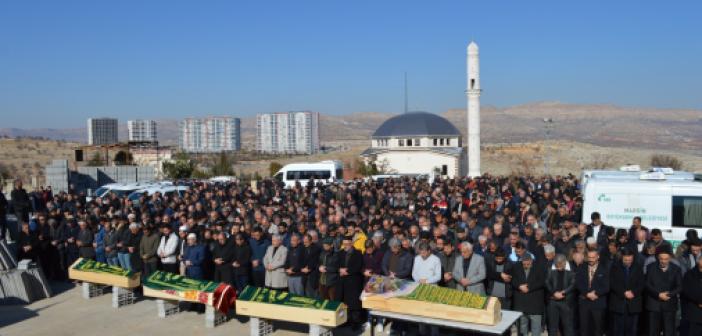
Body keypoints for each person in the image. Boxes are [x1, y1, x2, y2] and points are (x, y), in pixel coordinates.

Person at [645, 248, 682, 336]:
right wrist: (658, 295)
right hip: (653, 304)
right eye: (661, 258)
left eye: (666, 259)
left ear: (670, 258)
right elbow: (647, 284)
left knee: (669, 330)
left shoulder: (676, 269)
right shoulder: (650, 267)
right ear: (658, 258)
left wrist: (668, 295)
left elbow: (679, 286)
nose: (663, 261)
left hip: (669, 304)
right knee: (653, 330)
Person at [609, 248, 644, 336]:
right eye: (626, 260)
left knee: (632, 329)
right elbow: (612, 283)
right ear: (622, 257)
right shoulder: (614, 267)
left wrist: (633, 292)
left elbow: (642, 283)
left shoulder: (638, 267)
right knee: (618, 329)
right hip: (618, 302)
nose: (628, 262)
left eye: (630, 260)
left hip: (633, 303)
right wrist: (623, 292)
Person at [575, 249, 610, 336]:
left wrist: (596, 293)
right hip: (584, 303)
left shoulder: (605, 268)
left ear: (598, 257)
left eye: (593, 257)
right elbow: (578, 283)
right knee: (584, 329)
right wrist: (587, 294)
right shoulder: (581, 267)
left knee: (597, 329)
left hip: (598, 303)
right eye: (589, 257)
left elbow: (607, 286)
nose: (590, 259)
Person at [512, 253, 546, 336]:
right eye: (524, 263)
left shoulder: (539, 268)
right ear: (521, 261)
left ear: (531, 261)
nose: (526, 265)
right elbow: (512, 280)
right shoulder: (516, 267)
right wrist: (519, 286)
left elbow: (542, 281)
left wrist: (528, 287)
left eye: (528, 263)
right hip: (521, 303)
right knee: (522, 328)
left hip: (535, 304)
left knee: (536, 328)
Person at [412, 241, 442, 336]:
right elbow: (414, 273)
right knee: (421, 314)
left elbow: (438, 276)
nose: (422, 255)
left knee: (432, 314)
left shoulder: (436, 259)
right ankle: (422, 333)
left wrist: (426, 281)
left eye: (424, 252)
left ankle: (434, 333)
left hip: (432, 289)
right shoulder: (417, 258)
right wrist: (418, 280)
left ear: (429, 251)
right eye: (420, 252)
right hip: (419, 288)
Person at [337, 235, 364, 330]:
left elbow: (358, 266)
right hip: (343, 282)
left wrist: (346, 271)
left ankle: (356, 323)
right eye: (344, 244)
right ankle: (346, 320)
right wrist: (339, 269)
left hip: (353, 282)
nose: (345, 246)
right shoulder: (340, 253)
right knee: (345, 303)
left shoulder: (358, 253)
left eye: (347, 244)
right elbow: (336, 264)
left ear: (351, 243)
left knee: (354, 304)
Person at [545, 254, 575, 336]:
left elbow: (573, 284)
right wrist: (554, 292)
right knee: (552, 326)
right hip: (553, 301)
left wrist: (563, 292)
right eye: (557, 265)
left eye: (561, 265)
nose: (559, 267)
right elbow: (547, 282)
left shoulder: (571, 270)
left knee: (567, 326)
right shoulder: (550, 269)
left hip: (566, 301)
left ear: (564, 263)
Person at [682, 255, 702, 335]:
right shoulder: (690, 274)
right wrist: (700, 301)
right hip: (694, 310)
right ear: (698, 261)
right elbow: (688, 291)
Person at [301, 233, 321, 298]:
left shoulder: (316, 248)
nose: (304, 243)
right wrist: (302, 268)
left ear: (311, 241)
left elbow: (316, 260)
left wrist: (309, 268)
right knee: (307, 295)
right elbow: (300, 259)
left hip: (313, 275)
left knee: (314, 295)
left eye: (306, 242)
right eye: (304, 242)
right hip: (304, 275)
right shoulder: (303, 248)